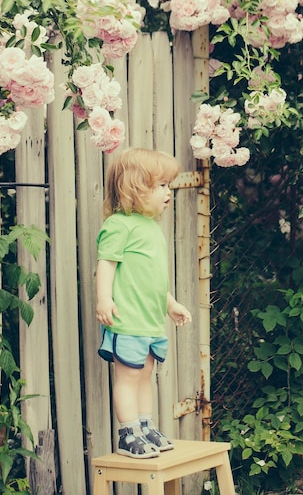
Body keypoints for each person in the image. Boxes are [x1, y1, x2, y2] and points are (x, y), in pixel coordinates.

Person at [96, 147, 192, 459]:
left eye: (169, 185)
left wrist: (170, 303)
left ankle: (145, 426)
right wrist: (103, 299)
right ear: (135, 187)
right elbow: (106, 264)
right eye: (161, 185)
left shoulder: (150, 227)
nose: (169, 191)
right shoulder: (118, 226)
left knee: (145, 374)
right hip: (128, 319)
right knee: (127, 376)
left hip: (150, 320)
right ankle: (127, 434)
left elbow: (151, 276)